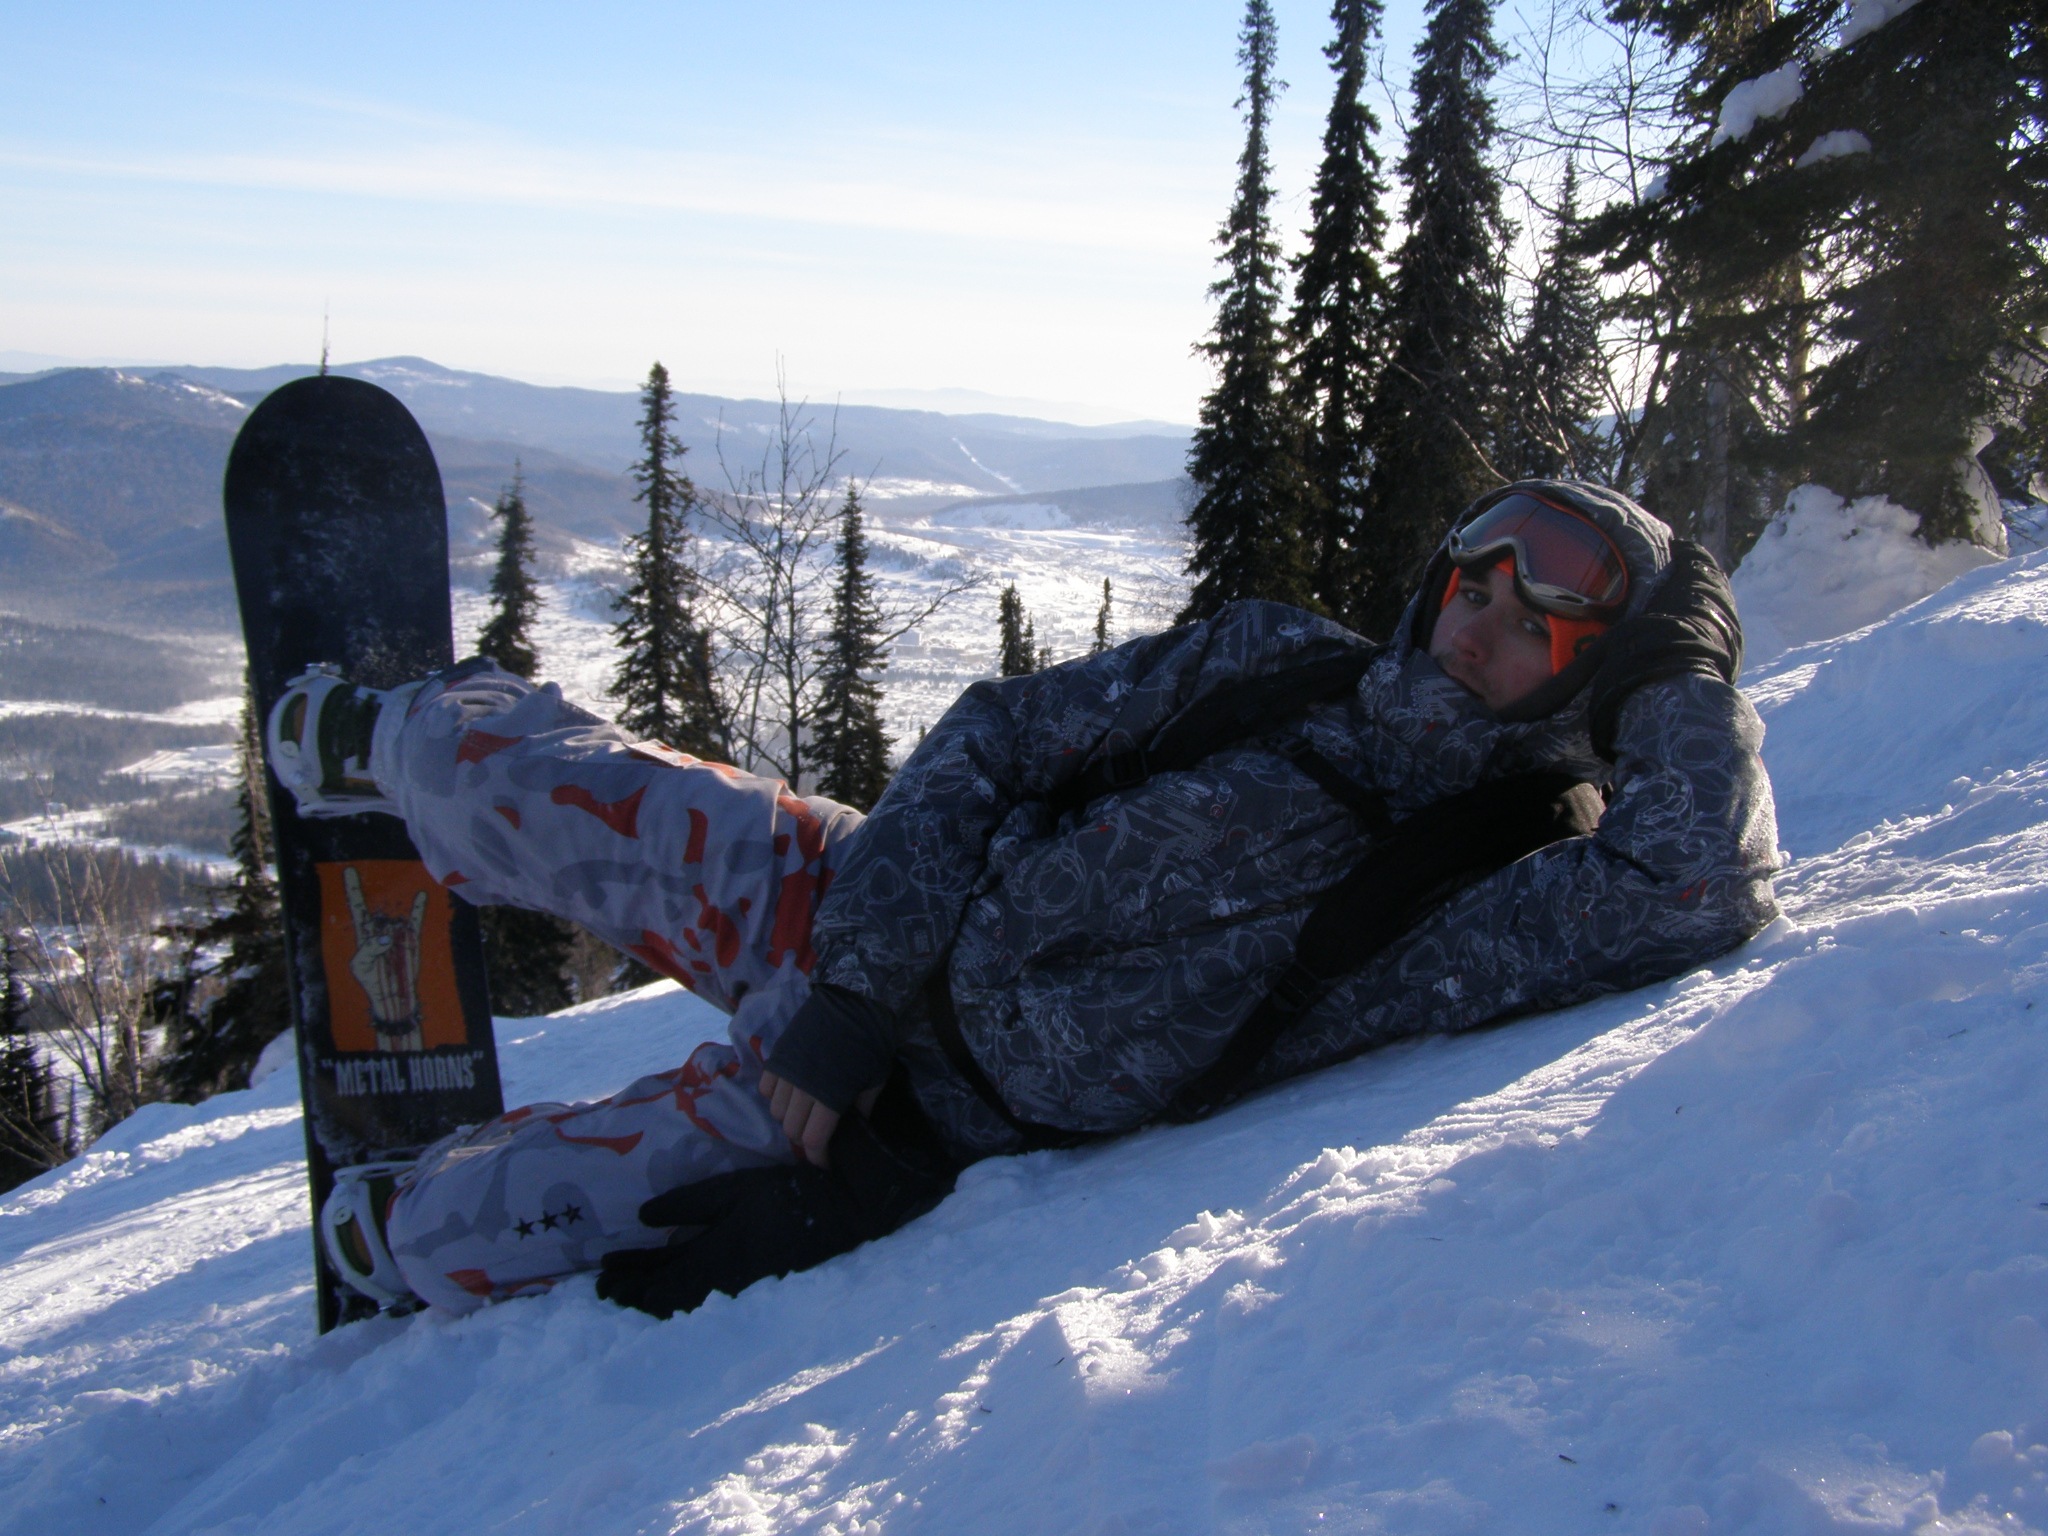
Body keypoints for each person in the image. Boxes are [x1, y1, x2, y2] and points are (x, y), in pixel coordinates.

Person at [281, 480, 1778, 1318]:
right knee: (523, 778)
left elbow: (1694, 879)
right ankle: (368, 743)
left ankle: (386, 1224)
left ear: (1594, 680)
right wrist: (854, 987)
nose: (1479, 635)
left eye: (1536, 633)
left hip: (906, 1115)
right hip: (852, 894)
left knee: (459, 1229)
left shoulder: (1486, 873)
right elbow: (1000, 735)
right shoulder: (1279, 661)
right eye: (1475, 592)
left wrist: (1685, 673)